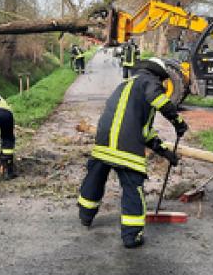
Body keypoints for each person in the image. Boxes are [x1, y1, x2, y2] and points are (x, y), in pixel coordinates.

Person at [77, 58, 189, 248]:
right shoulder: (149, 82)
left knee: (95, 177)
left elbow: (143, 131)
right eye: (162, 81)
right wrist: (178, 122)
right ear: (157, 74)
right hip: (126, 147)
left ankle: (85, 216)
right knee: (132, 187)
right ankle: (132, 236)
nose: (162, 85)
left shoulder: (126, 85)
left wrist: (165, 152)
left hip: (104, 141)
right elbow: (160, 100)